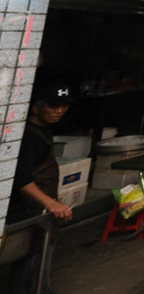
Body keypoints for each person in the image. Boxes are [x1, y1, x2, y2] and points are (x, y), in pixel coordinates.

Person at [10, 83, 75, 294]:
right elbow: (20, 179)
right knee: (31, 274)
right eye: (53, 106)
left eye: (63, 106)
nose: (59, 111)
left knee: (36, 269)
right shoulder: (28, 137)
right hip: (29, 215)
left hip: (42, 214)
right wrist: (51, 203)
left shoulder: (43, 130)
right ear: (36, 107)